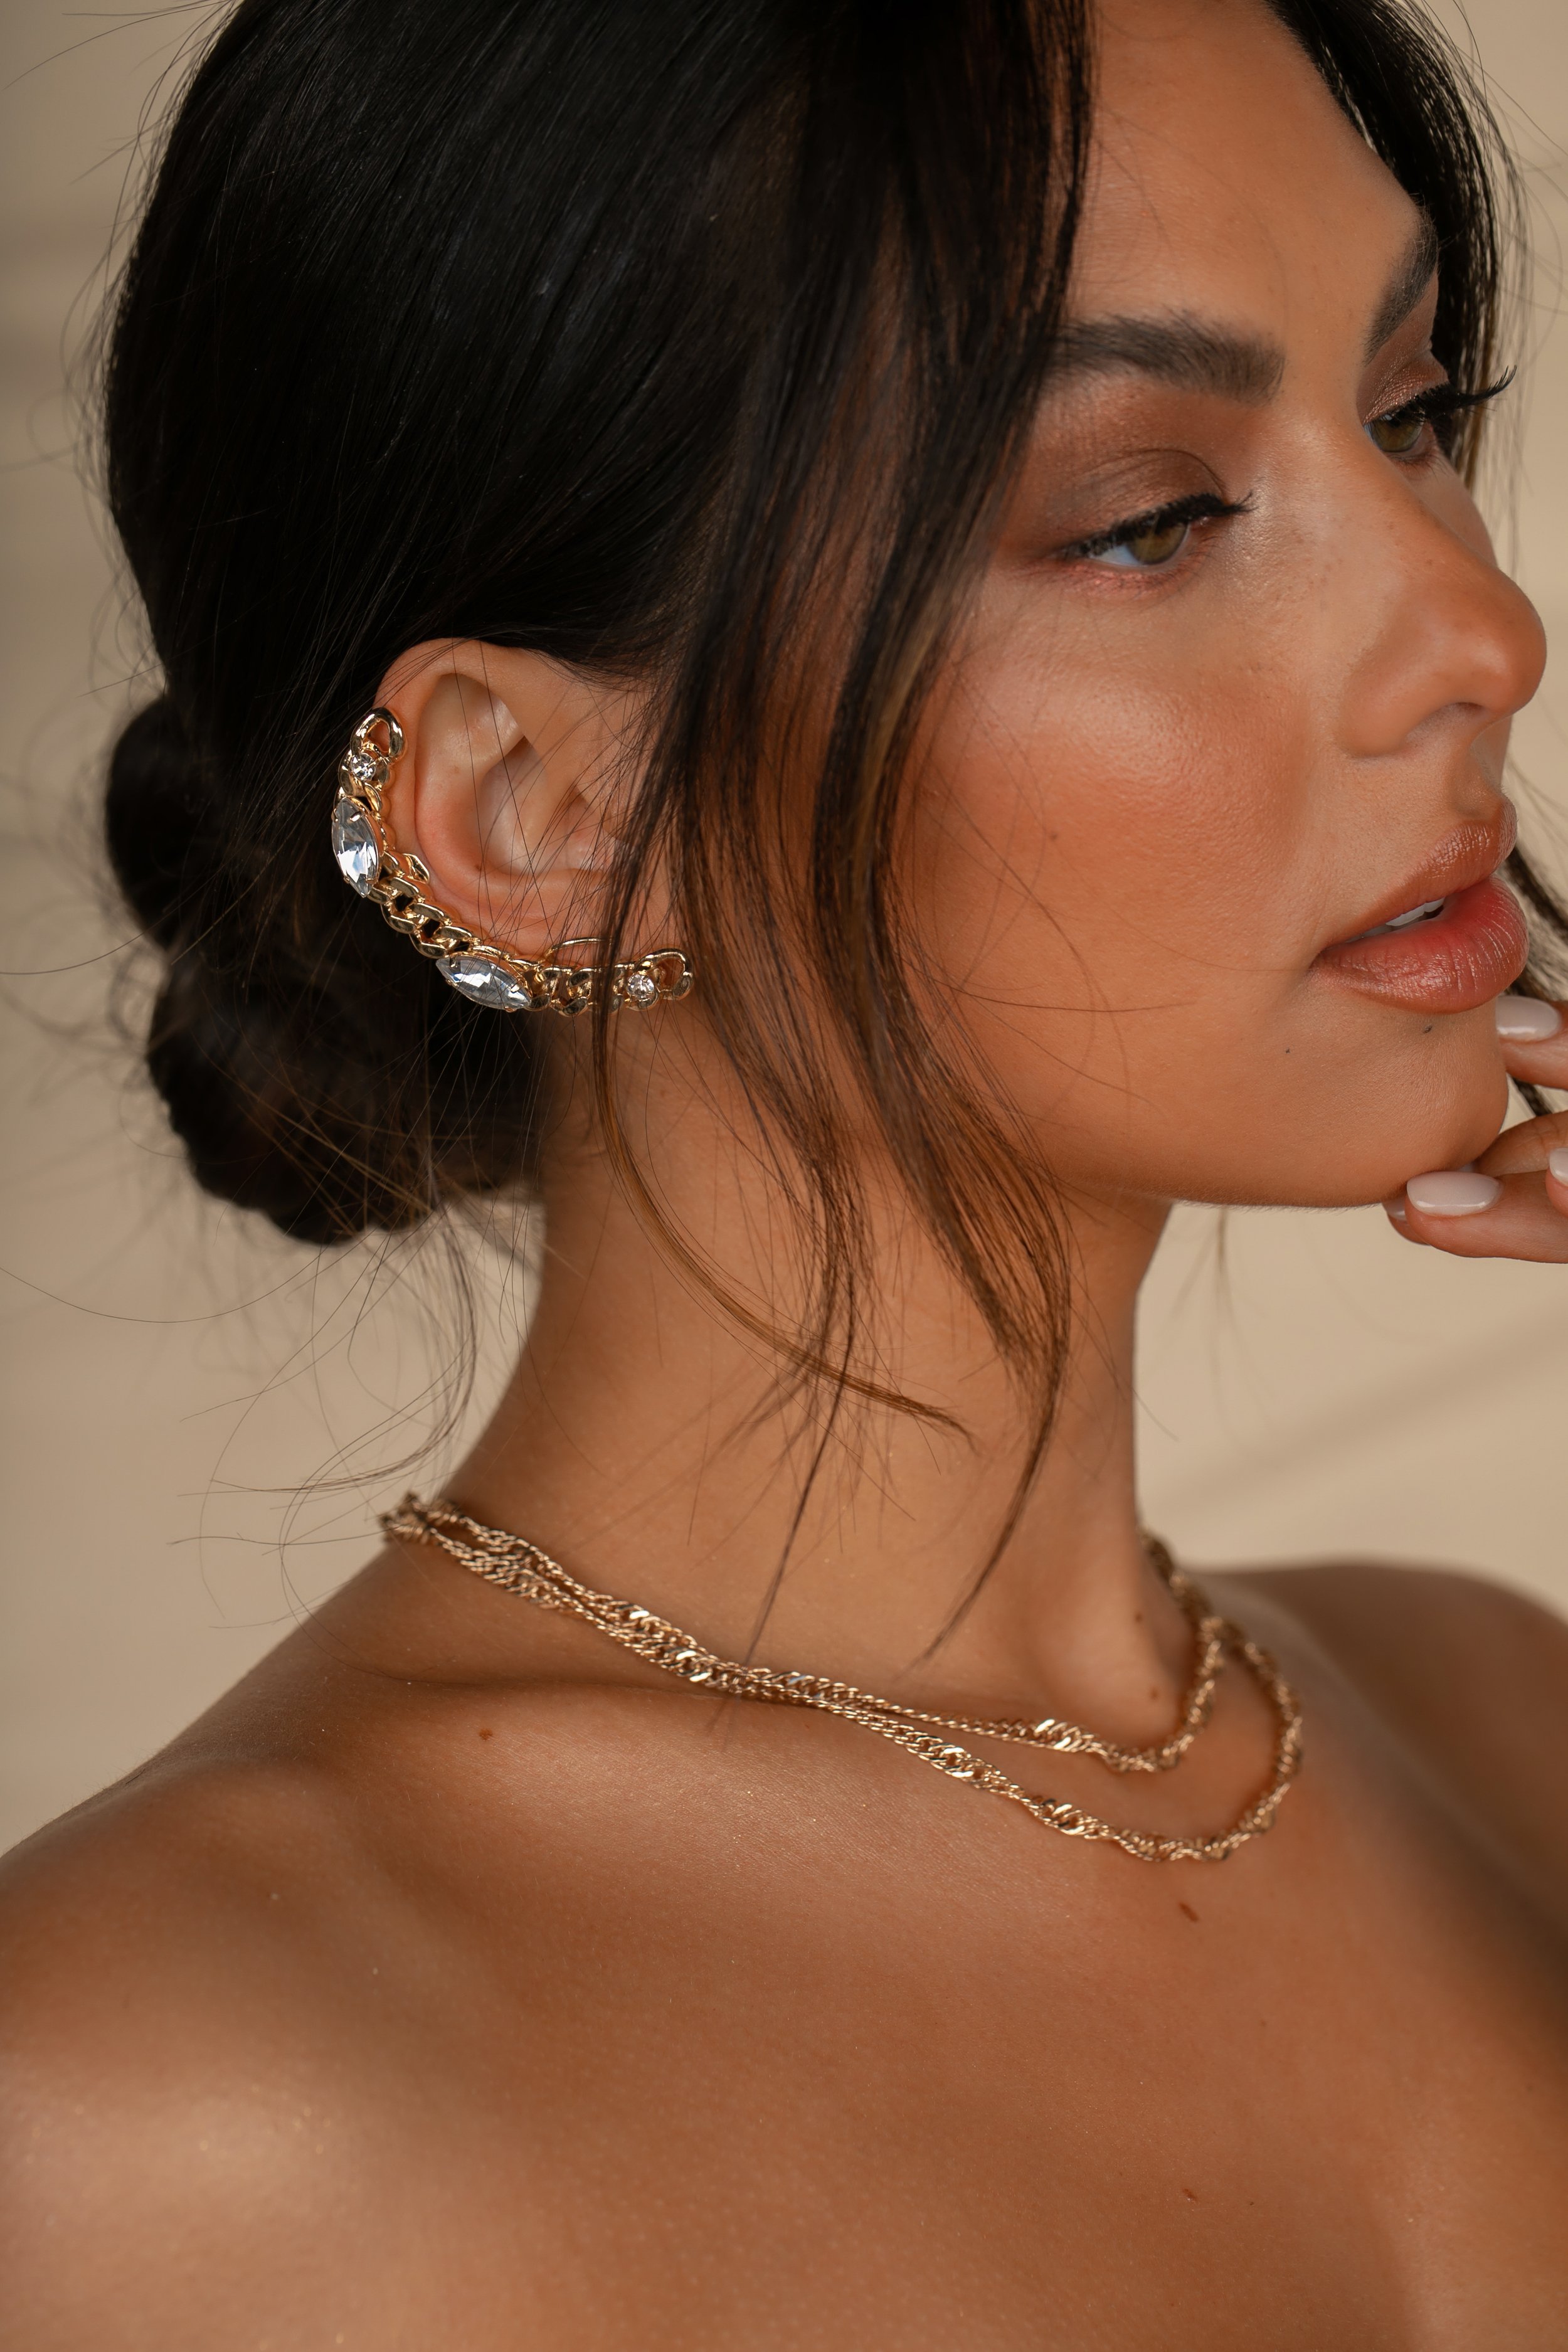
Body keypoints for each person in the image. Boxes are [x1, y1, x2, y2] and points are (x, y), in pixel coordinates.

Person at [4, 0, 1567, 2338]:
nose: (1481, 632)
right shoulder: (138, 2109)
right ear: (539, 818)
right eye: (1151, 518)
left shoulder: (1506, 1724)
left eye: (1413, 411)